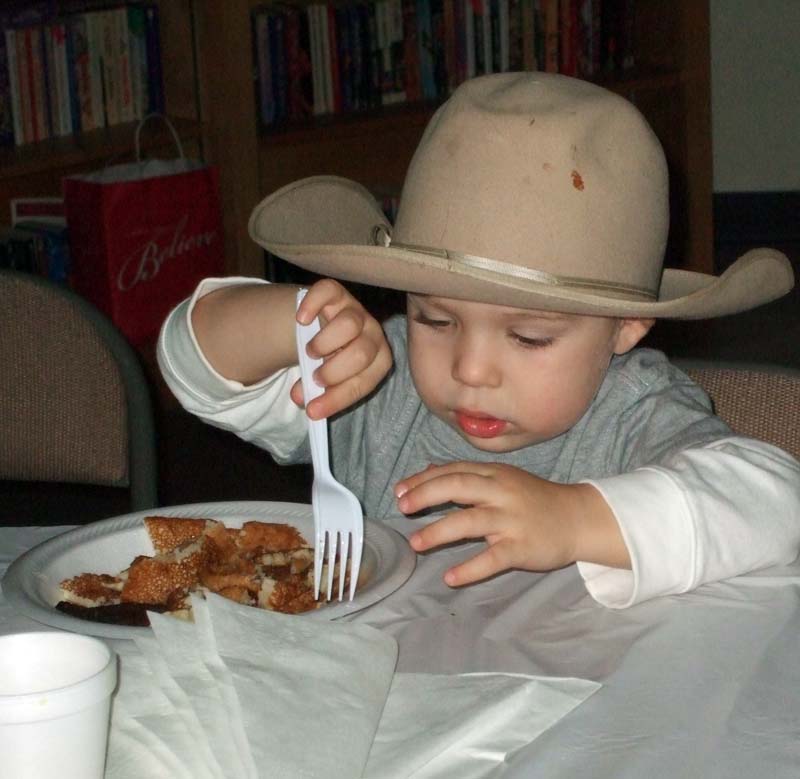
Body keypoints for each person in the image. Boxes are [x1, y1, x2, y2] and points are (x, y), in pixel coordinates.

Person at [158, 73, 800, 608]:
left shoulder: (631, 413)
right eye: (436, 320)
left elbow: (777, 502)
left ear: (627, 326)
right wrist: (289, 322)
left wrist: (574, 519)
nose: (470, 368)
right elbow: (200, 374)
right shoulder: (380, 382)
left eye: (528, 336)